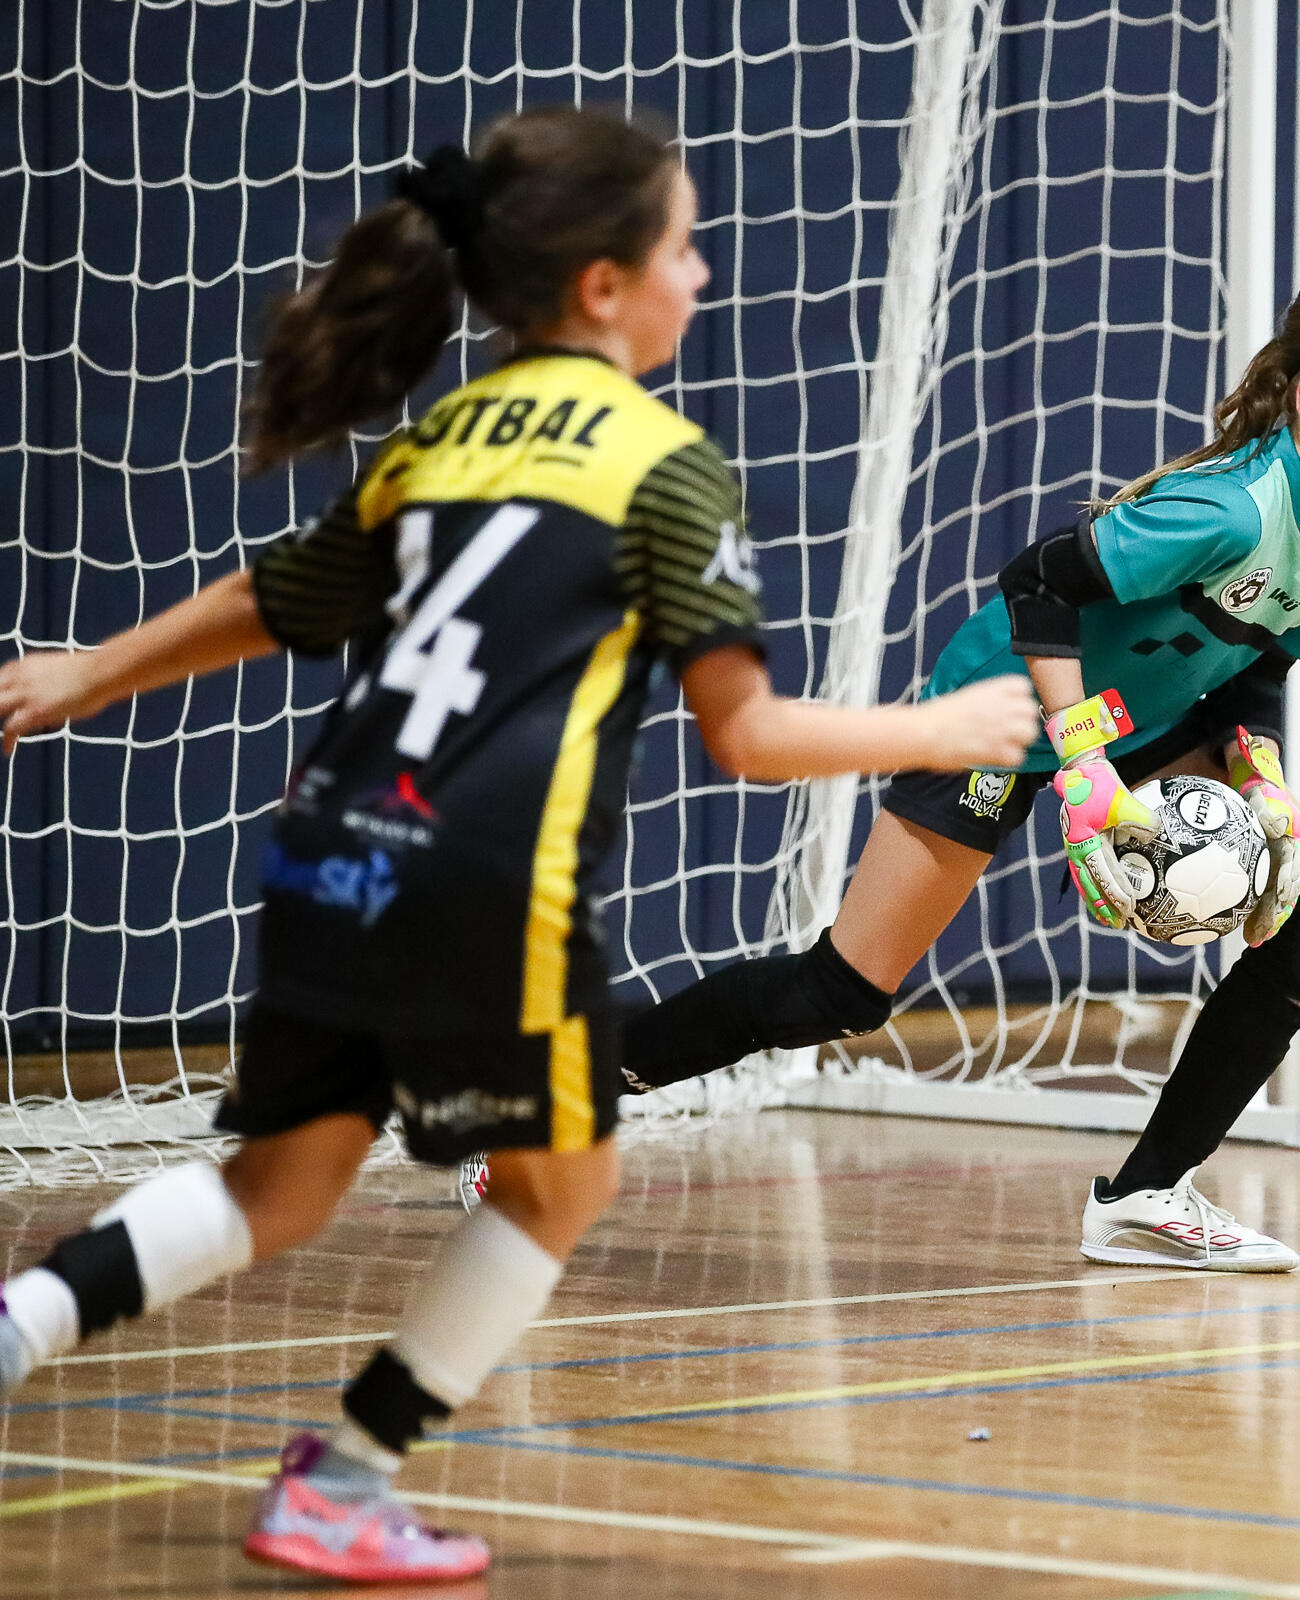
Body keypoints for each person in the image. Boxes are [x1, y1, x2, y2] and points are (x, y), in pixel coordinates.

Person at [0, 109, 1034, 1581]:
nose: (706, 269)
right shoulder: (663, 463)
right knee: (562, 1186)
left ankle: (21, 1326)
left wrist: (89, 671)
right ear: (603, 287)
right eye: (682, 242)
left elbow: (278, 593)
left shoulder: (444, 435)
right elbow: (742, 737)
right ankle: (347, 1476)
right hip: (485, 884)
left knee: (277, 1192)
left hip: (325, 848)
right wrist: (936, 734)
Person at [610, 270, 1300, 1271]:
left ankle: (1143, 1197)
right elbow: (1037, 581)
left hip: (1145, 711)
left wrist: (1257, 772)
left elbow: (1258, 658)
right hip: (1006, 705)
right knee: (842, 993)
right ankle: (563, 1090)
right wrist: (1081, 757)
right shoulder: (1227, 510)